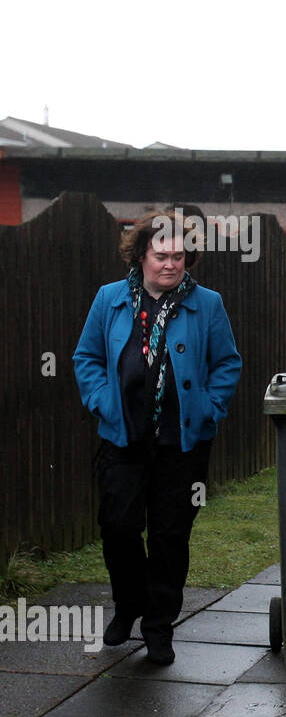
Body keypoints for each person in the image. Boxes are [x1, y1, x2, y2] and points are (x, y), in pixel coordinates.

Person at [73, 206, 241, 664]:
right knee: (119, 527)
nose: (170, 264)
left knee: (170, 535)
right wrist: (103, 401)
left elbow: (227, 363)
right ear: (141, 256)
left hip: (182, 445)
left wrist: (209, 407)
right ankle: (129, 606)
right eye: (160, 255)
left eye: (179, 257)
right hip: (122, 439)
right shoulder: (109, 299)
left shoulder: (207, 304)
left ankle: (158, 627)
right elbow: (85, 358)